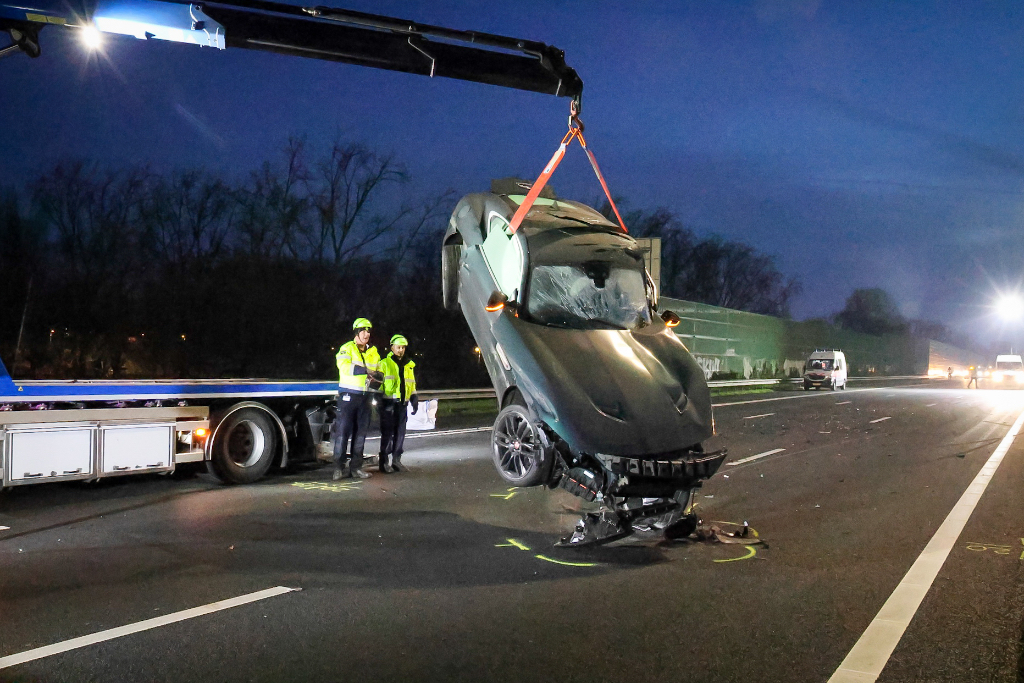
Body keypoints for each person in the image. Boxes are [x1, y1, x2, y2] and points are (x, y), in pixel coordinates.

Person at [332, 317, 383, 480]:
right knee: (343, 433)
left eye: (369, 331)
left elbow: (379, 373)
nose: (367, 333)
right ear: (356, 332)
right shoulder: (347, 348)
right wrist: (366, 370)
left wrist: (378, 378)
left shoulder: (374, 352)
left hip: (365, 397)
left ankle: (356, 468)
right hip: (348, 396)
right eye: (363, 330)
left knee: (360, 434)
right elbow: (344, 366)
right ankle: (338, 468)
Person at [377, 334, 418, 473]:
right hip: (388, 403)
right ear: (392, 348)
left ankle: (396, 460)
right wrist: (379, 400)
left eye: (403, 347)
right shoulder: (384, 363)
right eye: (398, 347)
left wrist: (414, 397)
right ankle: (384, 462)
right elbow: (379, 385)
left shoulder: (409, 365)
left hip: (402, 404)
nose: (400, 350)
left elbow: (411, 384)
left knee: (400, 433)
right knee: (387, 433)